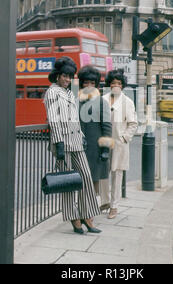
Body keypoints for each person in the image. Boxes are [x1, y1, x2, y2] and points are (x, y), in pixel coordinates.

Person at [44, 57, 101, 234]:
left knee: (85, 177)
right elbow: (54, 119)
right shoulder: (52, 92)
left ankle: (87, 214)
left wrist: (82, 136)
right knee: (68, 182)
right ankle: (74, 218)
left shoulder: (69, 92)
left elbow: (74, 117)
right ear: (57, 76)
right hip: (62, 142)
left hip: (76, 141)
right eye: (65, 76)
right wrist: (59, 143)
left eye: (70, 76)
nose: (68, 80)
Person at [100, 69, 138, 219]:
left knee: (117, 175)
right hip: (104, 142)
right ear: (109, 84)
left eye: (119, 83)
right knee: (103, 174)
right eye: (113, 83)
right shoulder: (103, 99)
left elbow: (133, 123)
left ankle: (114, 207)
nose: (116, 86)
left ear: (122, 86)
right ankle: (105, 202)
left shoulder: (127, 102)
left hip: (119, 143)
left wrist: (124, 138)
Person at [78, 66, 114, 198]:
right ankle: (83, 211)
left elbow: (107, 127)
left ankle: (89, 214)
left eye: (92, 83)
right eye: (86, 82)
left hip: (95, 148)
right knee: (80, 181)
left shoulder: (101, 102)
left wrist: (105, 150)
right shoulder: (77, 100)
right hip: (79, 147)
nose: (89, 86)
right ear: (81, 83)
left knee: (93, 181)